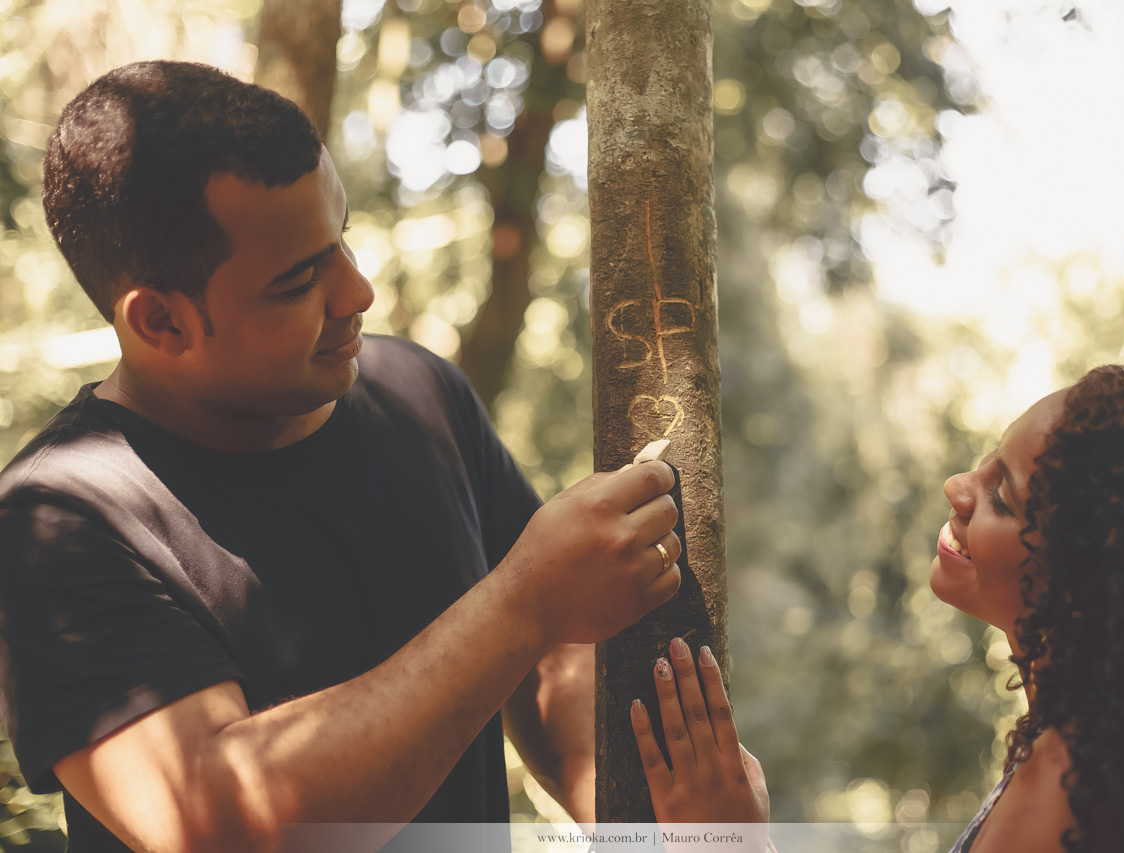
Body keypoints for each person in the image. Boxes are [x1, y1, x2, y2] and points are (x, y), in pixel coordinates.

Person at [0, 60, 686, 853]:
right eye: (298, 282)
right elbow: (215, 817)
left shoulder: (418, 389)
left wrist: (637, 820)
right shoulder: (55, 523)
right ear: (161, 322)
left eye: (342, 241)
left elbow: (544, 659)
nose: (358, 292)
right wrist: (522, 601)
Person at [635, 364, 1124, 852]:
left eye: (1005, 497)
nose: (958, 488)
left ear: (1088, 585)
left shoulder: (1071, 791)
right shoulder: (1106, 748)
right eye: (988, 462)